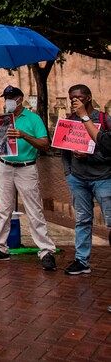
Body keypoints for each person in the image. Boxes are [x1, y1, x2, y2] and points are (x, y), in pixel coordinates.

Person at [0, 85, 57, 270]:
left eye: (11, 97)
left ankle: (46, 250)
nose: (8, 100)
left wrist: (24, 135)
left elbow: (45, 144)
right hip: (5, 166)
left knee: (34, 210)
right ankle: (0, 247)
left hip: (26, 168)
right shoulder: (3, 119)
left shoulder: (33, 119)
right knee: (3, 209)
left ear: (20, 98)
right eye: (6, 97)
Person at [60, 84, 111, 276]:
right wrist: (69, 173)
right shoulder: (69, 121)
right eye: (71, 97)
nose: (74, 101)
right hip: (78, 179)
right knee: (82, 220)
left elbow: (109, 150)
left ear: (88, 98)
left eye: (78, 97)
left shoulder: (104, 120)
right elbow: (63, 150)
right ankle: (82, 261)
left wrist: (89, 156)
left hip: (103, 178)